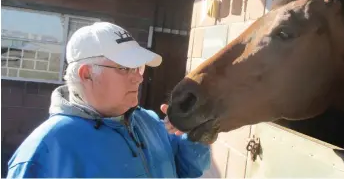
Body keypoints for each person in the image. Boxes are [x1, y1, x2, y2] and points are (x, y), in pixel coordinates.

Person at [6, 22, 211, 178]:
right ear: (87, 74)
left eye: (138, 67)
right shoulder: (46, 149)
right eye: (125, 68)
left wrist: (195, 134)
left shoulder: (148, 121)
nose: (139, 78)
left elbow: (187, 169)